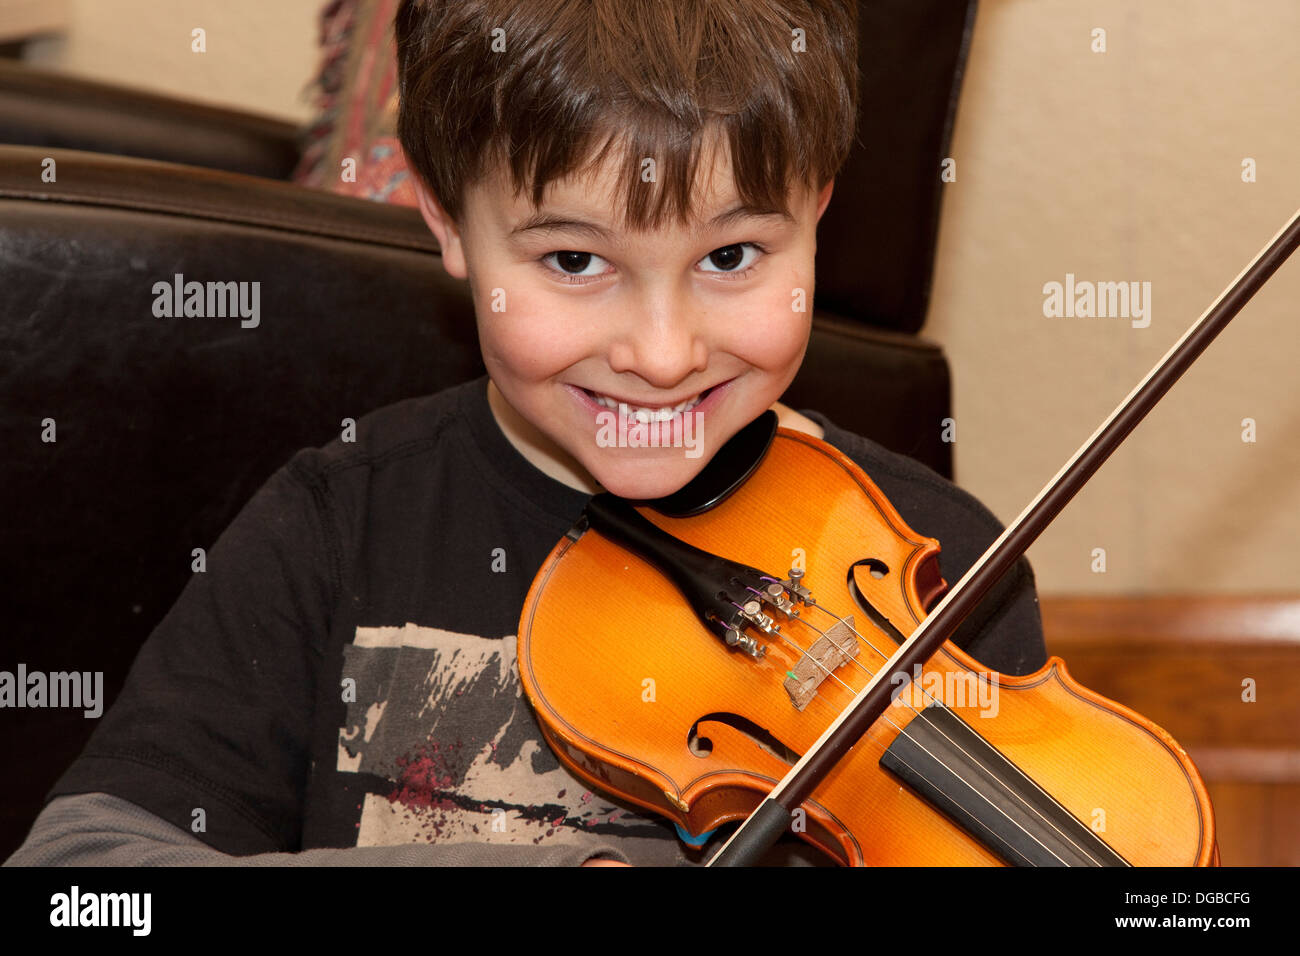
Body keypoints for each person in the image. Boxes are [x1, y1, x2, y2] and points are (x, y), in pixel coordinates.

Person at [4, 0, 1045, 868]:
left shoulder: (930, 569)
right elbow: (85, 882)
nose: (663, 350)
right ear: (448, 222)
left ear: (817, 209)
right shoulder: (338, 521)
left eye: (731, 257)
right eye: (574, 262)